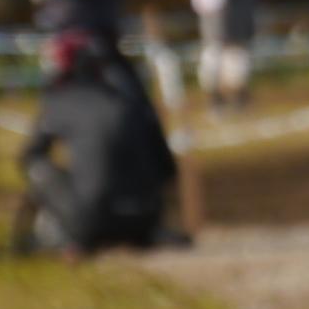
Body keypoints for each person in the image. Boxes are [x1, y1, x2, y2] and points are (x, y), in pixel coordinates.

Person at [16, 31, 184, 256]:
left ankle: (56, 235)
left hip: (93, 225)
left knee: (38, 169)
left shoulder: (59, 101)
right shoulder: (130, 99)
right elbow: (168, 167)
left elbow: (29, 156)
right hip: (147, 222)